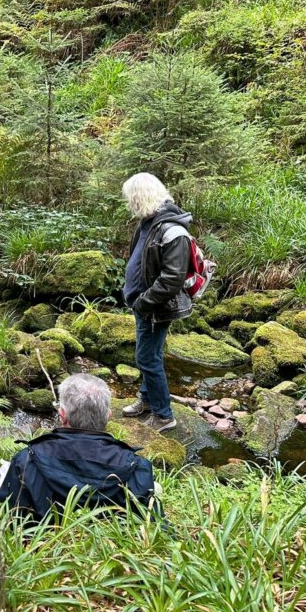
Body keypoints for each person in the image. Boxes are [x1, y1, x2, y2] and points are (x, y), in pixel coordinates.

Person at [0, 374, 156, 521]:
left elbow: (11, 519)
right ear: (109, 416)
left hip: (44, 548)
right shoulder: (137, 467)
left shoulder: (26, 460)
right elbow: (153, 525)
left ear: (62, 414)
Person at [120, 172, 194, 433]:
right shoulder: (147, 223)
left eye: (131, 198)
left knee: (147, 359)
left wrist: (143, 302)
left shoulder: (174, 231)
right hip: (143, 305)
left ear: (141, 197)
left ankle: (164, 415)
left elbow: (172, 279)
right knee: (148, 356)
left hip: (155, 308)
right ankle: (147, 400)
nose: (129, 203)